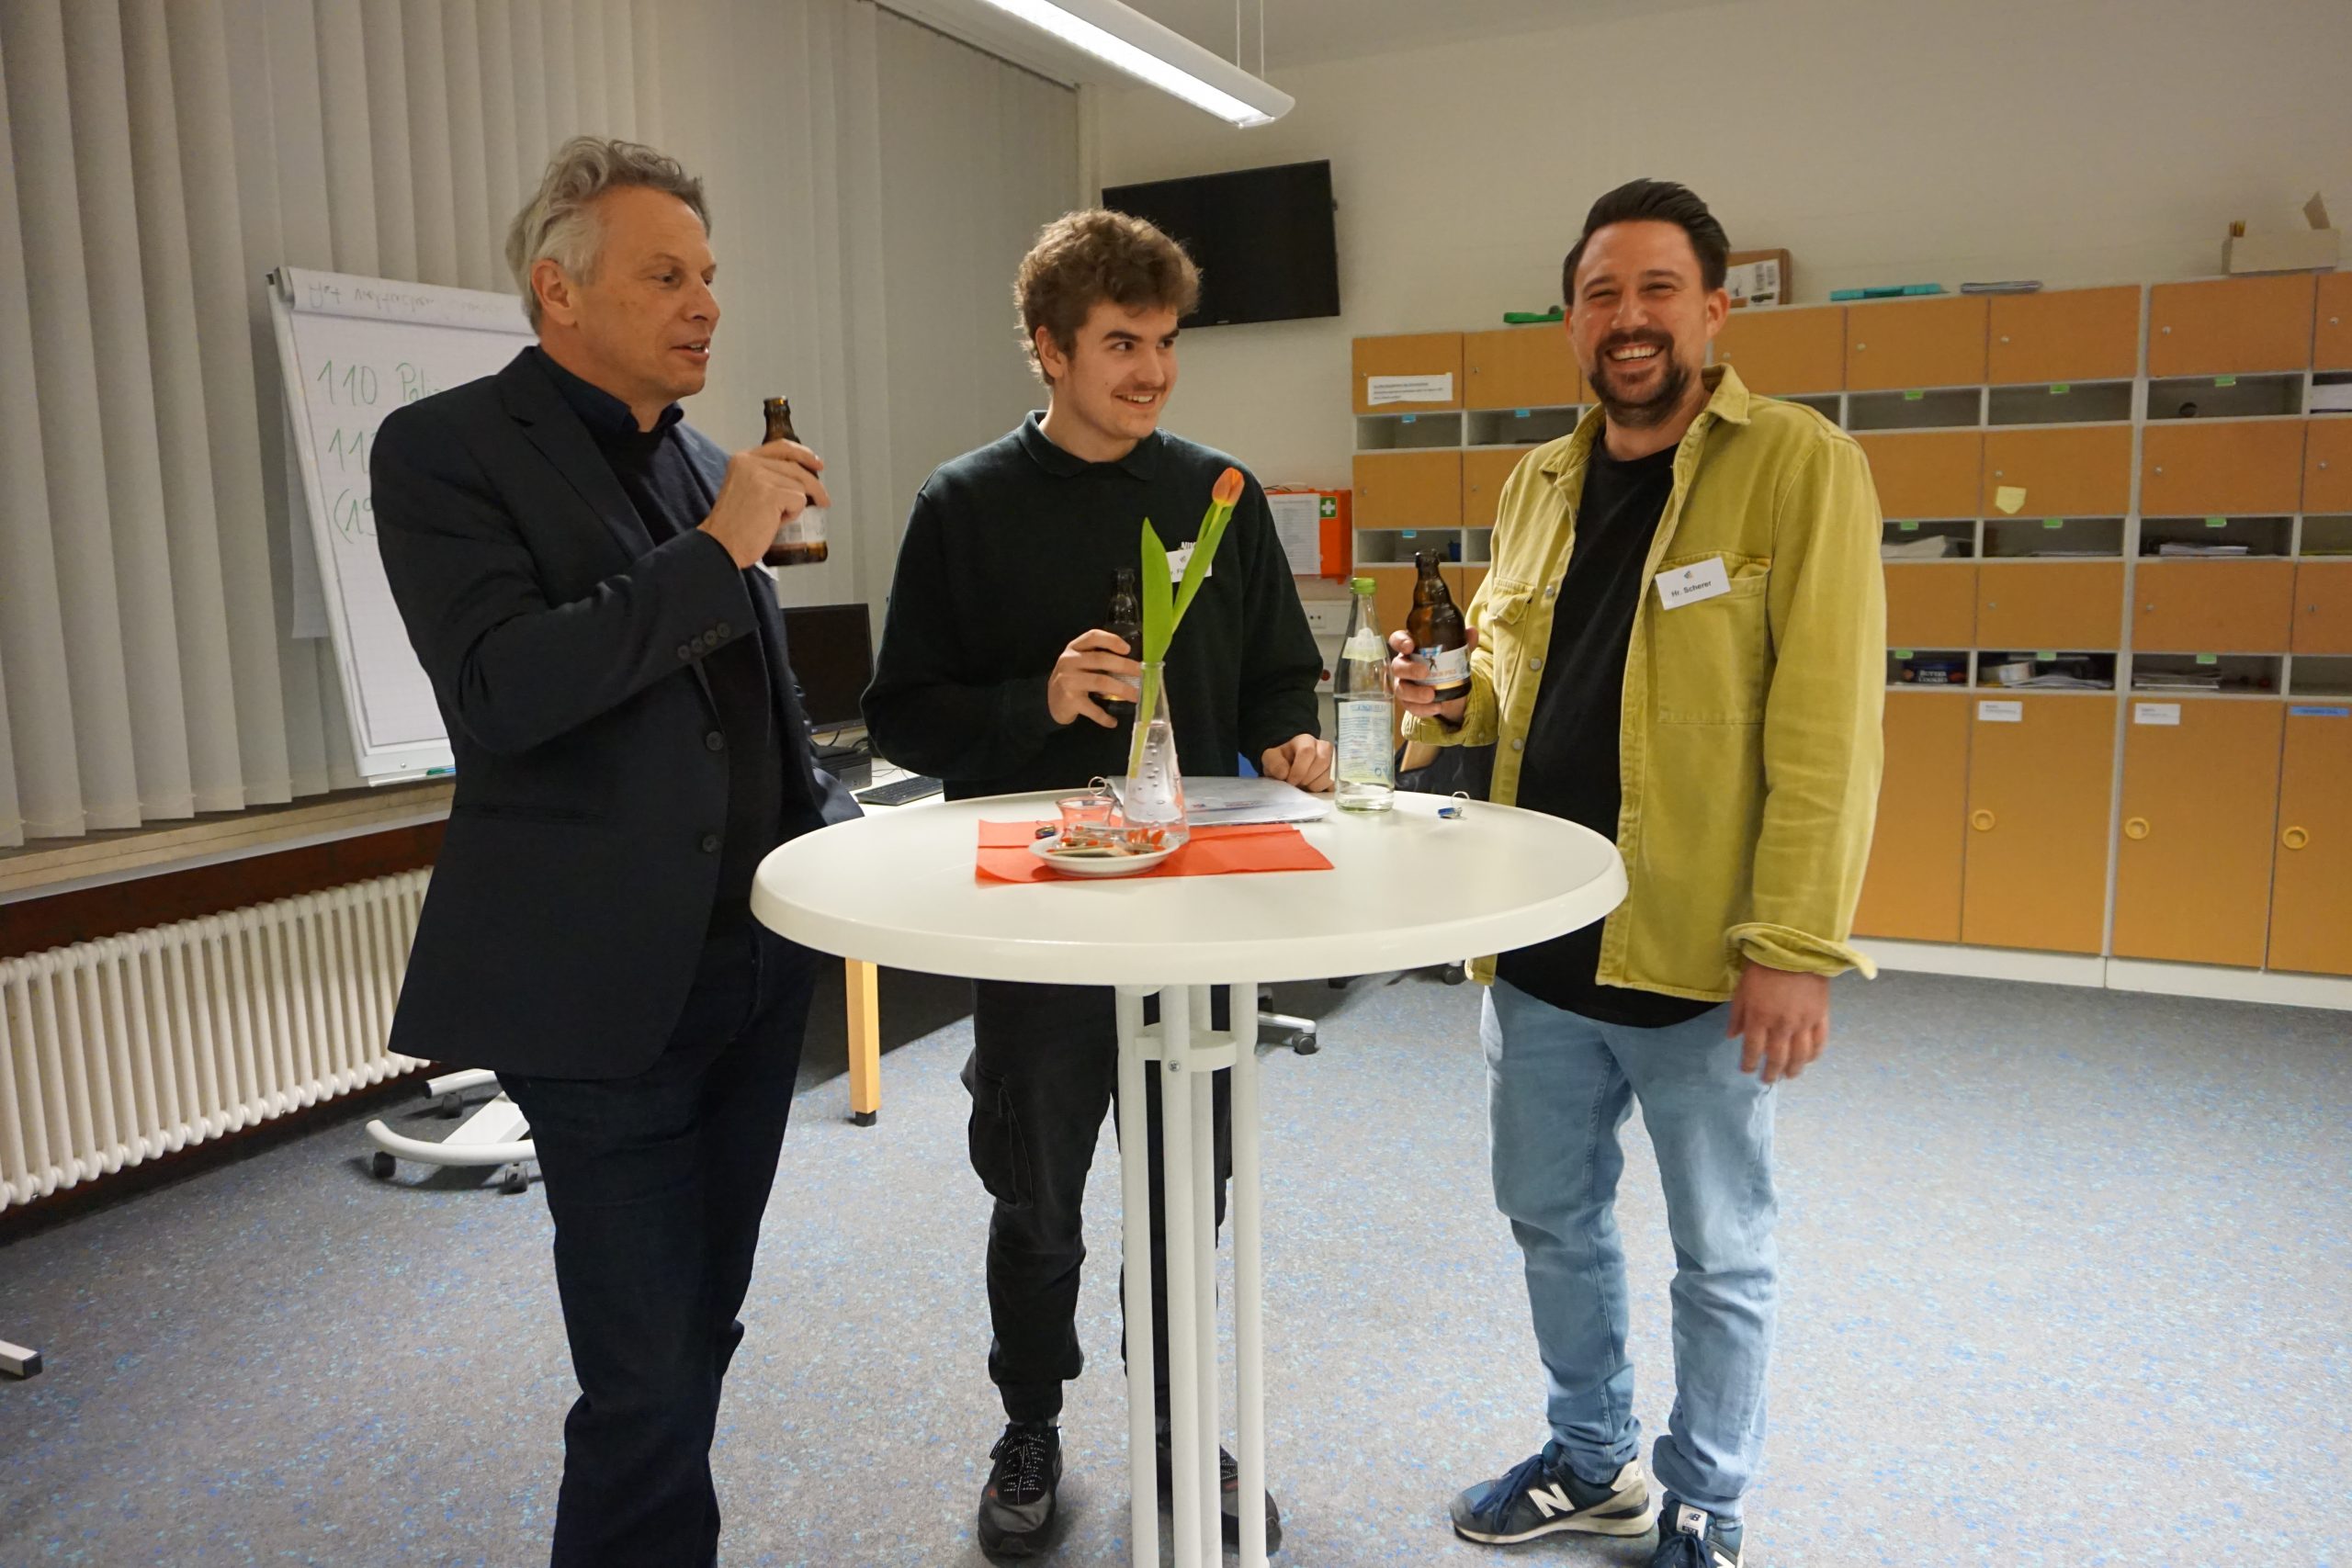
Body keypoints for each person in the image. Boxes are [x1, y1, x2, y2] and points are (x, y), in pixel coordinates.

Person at [371, 137, 856, 1568]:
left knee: (701, 1327)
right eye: (664, 275)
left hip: (755, 974)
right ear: (559, 291)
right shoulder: (445, 449)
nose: (705, 303)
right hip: (602, 993)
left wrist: (833, 846)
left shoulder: (704, 462)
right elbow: (503, 690)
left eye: (708, 274)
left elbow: (753, 707)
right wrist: (718, 549)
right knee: (645, 1376)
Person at [1395, 179, 1884, 1568]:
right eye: (1602, 294)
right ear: (1572, 321)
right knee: (1552, 1220)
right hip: (1540, 943)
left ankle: (1708, 1502)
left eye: (1658, 288)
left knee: (1719, 1252)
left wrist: (1793, 943)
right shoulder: (1535, 484)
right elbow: (1515, 690)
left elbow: (1829, 728)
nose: (1630, 318)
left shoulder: (1797, 465)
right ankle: (1591, 1457)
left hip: (1698, 951)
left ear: (1714, 310)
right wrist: (1452, 697)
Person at [863, 209, 1328, 1558]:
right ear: (1050, 348)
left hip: (1194, 920)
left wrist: (1291, 739)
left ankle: (1182, 1426)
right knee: (1038, 1201)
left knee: (1187, 1202)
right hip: (1042, 925)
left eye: (1166, 343)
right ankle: (1031, 1421)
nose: (1153, 372)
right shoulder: (964, 505)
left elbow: (1280, 674)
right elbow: (905, 716)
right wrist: (1039, 699)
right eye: (1122, 343)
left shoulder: (1220, 494)